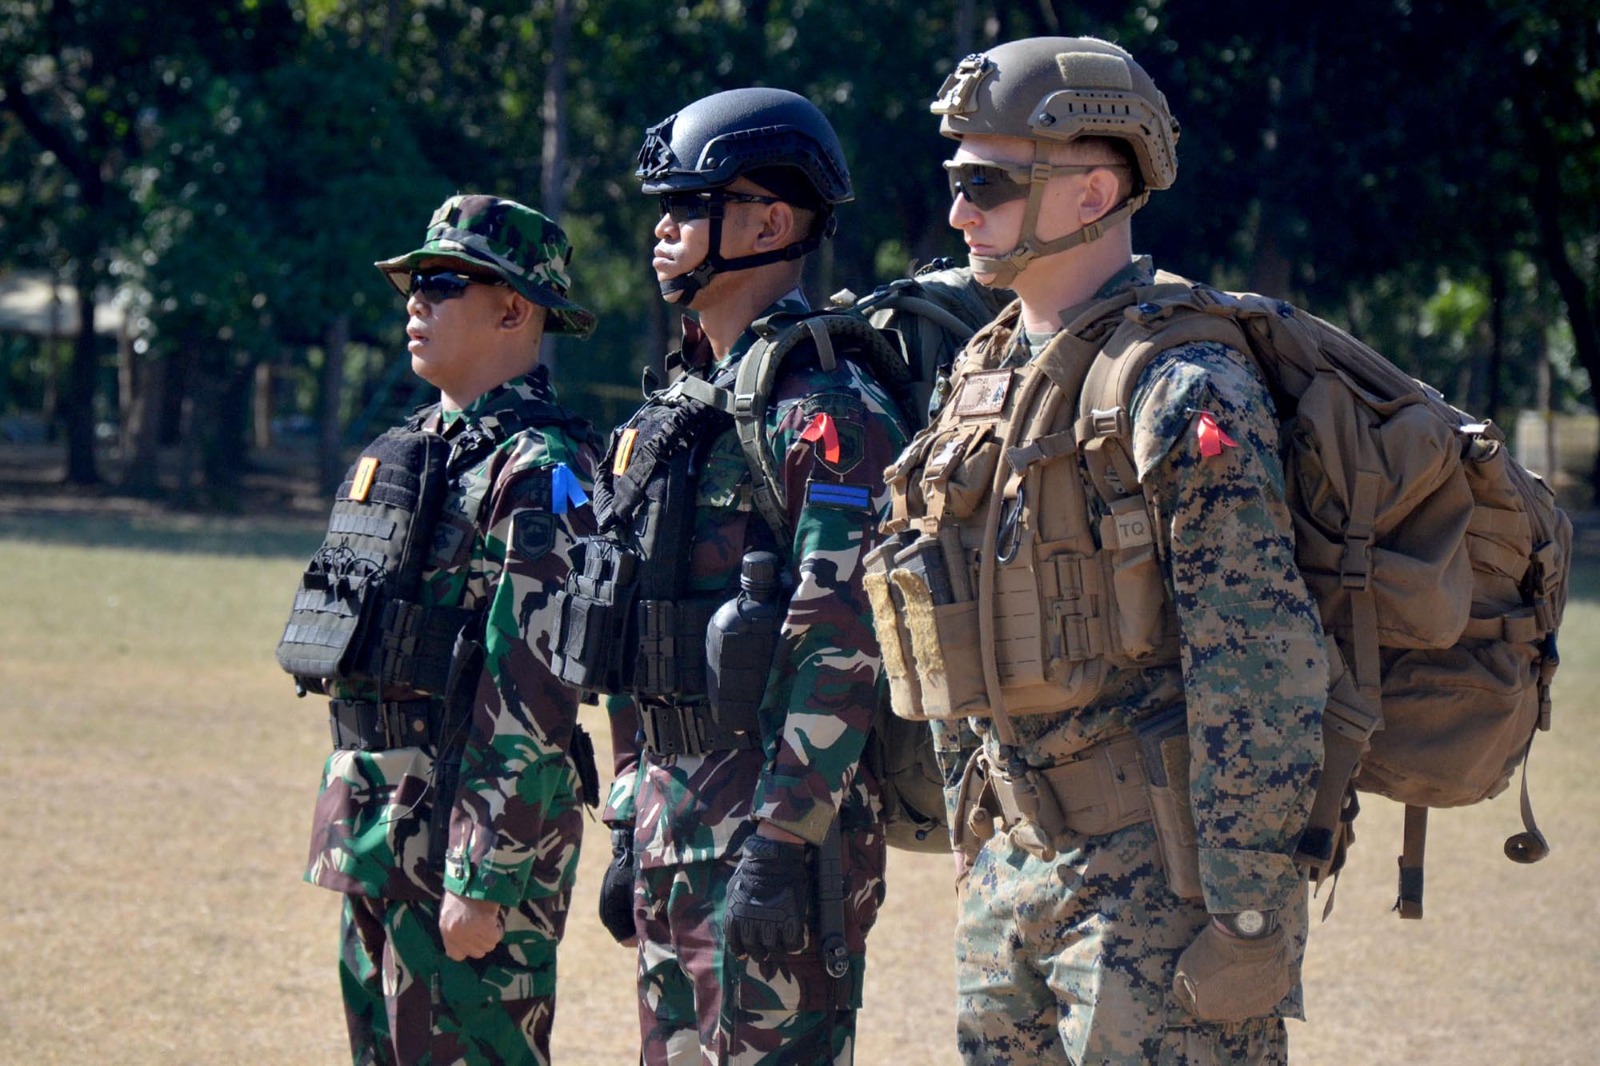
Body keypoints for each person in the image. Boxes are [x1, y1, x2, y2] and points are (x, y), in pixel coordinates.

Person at [875, 38, 1328, 1063]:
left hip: (1159, 889)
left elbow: (1257, 664)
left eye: (987, 184)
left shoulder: (1181, 385)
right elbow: (947, 607)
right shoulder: (982, 372)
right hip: (1010, 872)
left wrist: (1247, 911)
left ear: (1094, 191)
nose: (959, 213)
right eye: (955, 182)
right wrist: (974, 835)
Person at [572, 88, 911, 1064]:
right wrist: (627, 814)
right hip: (670, 831)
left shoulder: (826, 410)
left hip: (776, 847)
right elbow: (633, 636)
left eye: (689, 203)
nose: (661, 227)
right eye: (661, 206)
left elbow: (841, 640)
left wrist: (784, 838)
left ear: (770, 223)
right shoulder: (668, 418)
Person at [286, 194, 603, 1064]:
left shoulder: (542, 468)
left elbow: (532, 689)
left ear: (513, 309)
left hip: (467, 847)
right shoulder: (415, 447)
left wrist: (484, 874)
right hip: (377, 829)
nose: (415, 302)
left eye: (443, 283)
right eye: (413, 283)